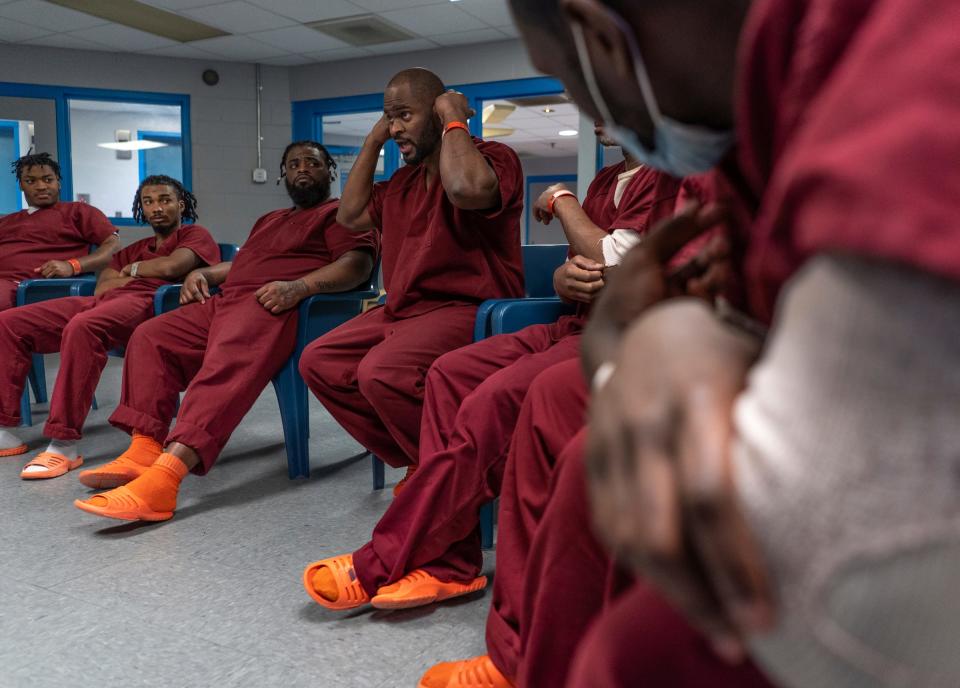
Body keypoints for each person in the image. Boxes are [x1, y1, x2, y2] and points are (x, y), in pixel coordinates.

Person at [515, 1, 960, 687]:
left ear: (600, 38)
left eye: (563, 78)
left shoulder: (912, 53)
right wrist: (683, 330)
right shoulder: (761, 103)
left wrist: (618, 359)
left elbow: (854, 587)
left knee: (631, 653)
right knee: (583, 466)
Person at [302, 124, 682, 612]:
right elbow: (586, 272)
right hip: (577, 323)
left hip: (628, 337)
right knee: (449, 373)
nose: (594, 107)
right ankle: (451, 564)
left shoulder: (668, 177)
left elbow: (617, 262)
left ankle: (383, 558)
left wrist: (561, 198)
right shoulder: (606, 183)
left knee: (493, 397)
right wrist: (566, 279)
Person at [73, 141, 378, 522]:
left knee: (228, 355)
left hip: (279, 302)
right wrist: (200, 273)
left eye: (313, 163)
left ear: (330, 172)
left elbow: (357, 266)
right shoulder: (269, 219)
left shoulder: (341, 216)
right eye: (294, 163)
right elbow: (241, 266)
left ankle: (165, 480)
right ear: (283, 174)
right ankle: (145, 446)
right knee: (152, 335)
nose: (303, 169)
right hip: (229, 299)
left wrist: (299, 287)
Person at [297, 68, 524, 494]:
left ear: (438, 114)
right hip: (403, 311)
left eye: (404, 115)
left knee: (381, 372)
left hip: (468, 310)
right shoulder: (401, 182)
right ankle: (429, 460)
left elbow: (466, 191)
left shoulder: (495, 158)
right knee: (319, 361)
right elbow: (348, 217)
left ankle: (441, 475)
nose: (395, 127)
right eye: (389, 117)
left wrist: (455, 118)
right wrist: (372, 141)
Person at [0, 176, 218, 478]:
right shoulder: (138, 246)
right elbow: (103, 285)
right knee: (9, 322)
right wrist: (129, 273)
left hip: (149, 305)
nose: (157, 207)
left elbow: (173, 267)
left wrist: (132, 271)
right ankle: (3, 428)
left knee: (83, 327)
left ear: (180, 204)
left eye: (165, 200)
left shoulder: (195, 235)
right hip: (105, 302)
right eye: (148, 201)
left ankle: (64, 444)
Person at [0, 152, 119, 311]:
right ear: (21, 185)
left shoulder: (78, 211)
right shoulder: (7, 221)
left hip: (30, 289)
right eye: (31, 181)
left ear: (59, 182)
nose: (41, 186)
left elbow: (114, 247)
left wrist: (73, 266)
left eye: (48, 180)